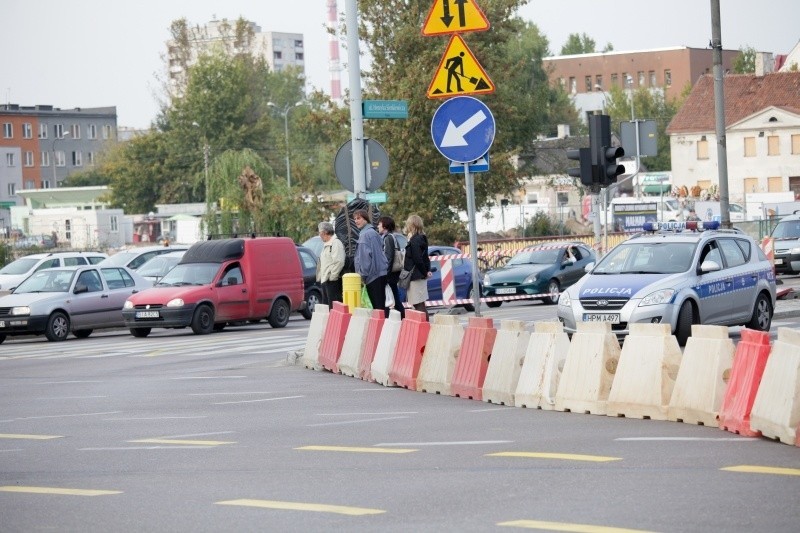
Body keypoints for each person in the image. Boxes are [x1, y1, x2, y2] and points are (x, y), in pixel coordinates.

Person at [353, 209, 388, 311]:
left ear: (366, 219)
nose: (356, 221)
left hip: (372, 276)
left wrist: (362, 275)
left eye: (359, 218)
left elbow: (365, 259)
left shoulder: (365, 235)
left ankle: (381, 327)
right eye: (355, 219)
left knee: (377, 309)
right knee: (381, 307)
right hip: (380, 273)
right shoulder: (373, 232)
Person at [403, 214, 432, 321]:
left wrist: (424, 272)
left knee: (419, 305)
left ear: (412, 225)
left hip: (416, 276)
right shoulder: (422, 238)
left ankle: (425, 327)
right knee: (419, 304)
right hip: (419, 275)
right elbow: (425, 257)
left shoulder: (415, 240)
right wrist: (427, 271)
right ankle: (425, 326)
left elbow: (418, 259)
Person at [378, 216, 404, 319]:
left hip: (390, 273)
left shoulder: (388, 238)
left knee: (394, 299)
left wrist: (385, 274)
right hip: (392, 273)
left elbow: (388, 258)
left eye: (379, 224)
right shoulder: (389, 237)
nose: (378, 226)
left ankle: (402, 319)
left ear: (384, 226)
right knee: (393, 297)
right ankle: (401, 318)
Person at [317, 221, 345, 306]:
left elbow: (339, 261)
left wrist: (332, 277)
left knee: (333, 308)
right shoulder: (327, 244)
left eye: (320, 233)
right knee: (327, 308)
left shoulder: (336, 243)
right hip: (326, 280)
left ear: (325, 232)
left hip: (332, 281)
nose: (319, 235)